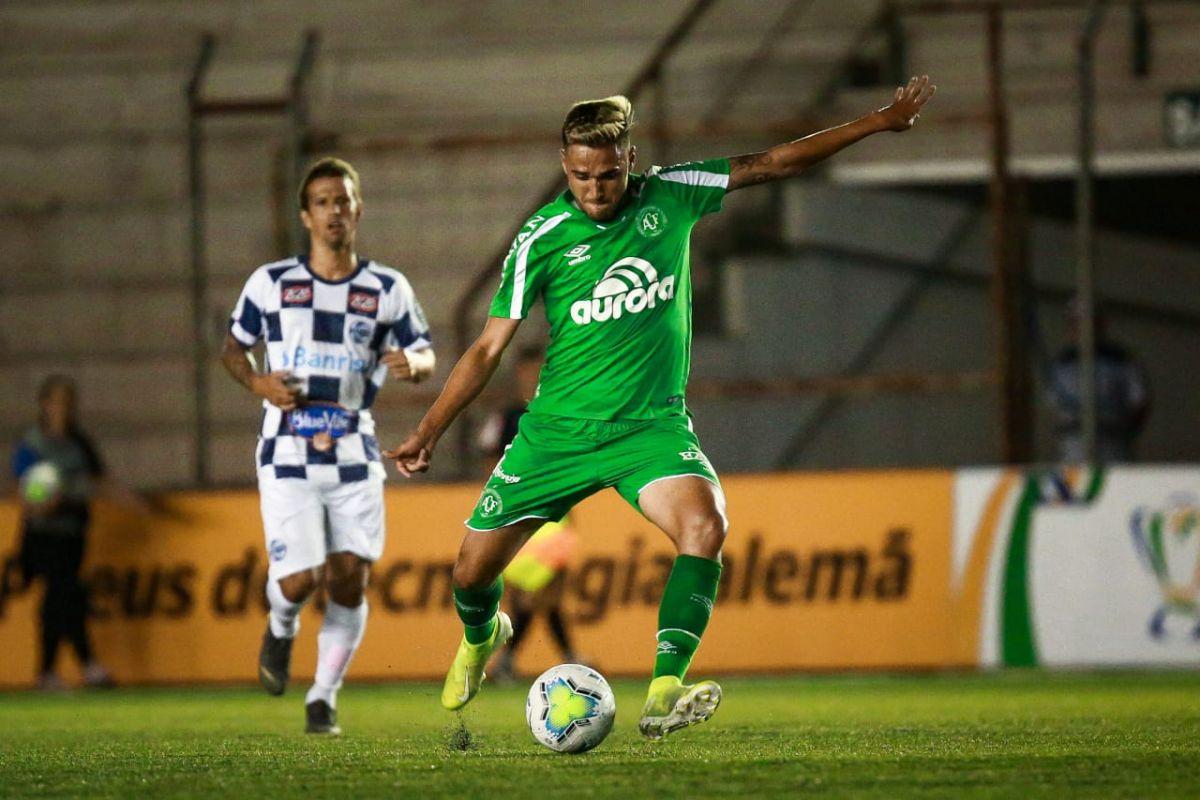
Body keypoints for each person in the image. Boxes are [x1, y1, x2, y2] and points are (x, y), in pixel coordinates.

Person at [386, 77, 935, 739]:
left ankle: (664, 689)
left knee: (706, 526)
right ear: (566, 167)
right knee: (469, 575)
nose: (596, 189)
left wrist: (876, 122)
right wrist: (427, 430)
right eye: (583, 175)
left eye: (609, 174)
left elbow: (773, 162)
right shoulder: (541, 237)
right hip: (556, 433)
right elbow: (485, 350)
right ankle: (483, 635)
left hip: (650, 427)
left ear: (631, 160)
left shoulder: (672, 193)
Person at [221, 157, 435, 735]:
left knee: (348, 578)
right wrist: (259, 383)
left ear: (357, 210)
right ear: (306, 216)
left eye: (342, 200)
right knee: (298, 579)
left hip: (352, 448)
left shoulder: (386, 288)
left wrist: (412, 364)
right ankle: (282, 625)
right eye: (322, 202)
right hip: (287, 446)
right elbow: (233, 350)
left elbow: (427, 351)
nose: (334, 211)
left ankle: (323, 695)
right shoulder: (271, 283)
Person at [475, 346, 581, 680]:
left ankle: (513, 662)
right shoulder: (507, 417)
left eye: (540, 370)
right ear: (519, 374)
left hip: (554, 513)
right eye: (528, 371)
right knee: (525, 596)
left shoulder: (559, 414)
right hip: (518, 512)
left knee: (549, 592)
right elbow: (490, 460)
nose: (533, 377)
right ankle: (561, 656)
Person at [13, 376, 125, 690]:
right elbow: (21, 490)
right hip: (43, 534)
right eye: (58, 401)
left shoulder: (79, 443)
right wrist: (42, 504)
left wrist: (135, 502)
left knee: (61, 599)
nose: (64, 408)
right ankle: (86, 666)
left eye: (68, 401)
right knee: (63, 594)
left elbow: (100, 481)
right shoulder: (33, 444)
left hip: (73, 534)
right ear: (45, 405)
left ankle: (50, 671)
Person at [1047, 300, 1150, 463]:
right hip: (1073, 443)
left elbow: (1139, 402)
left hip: (1111, 441)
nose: (1081, 329)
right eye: (1075, 323)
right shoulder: (1062, 364)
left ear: (1101, 325)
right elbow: (1055, 406)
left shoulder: (1121, 361)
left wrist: (1123, 430)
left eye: (1088, 323)